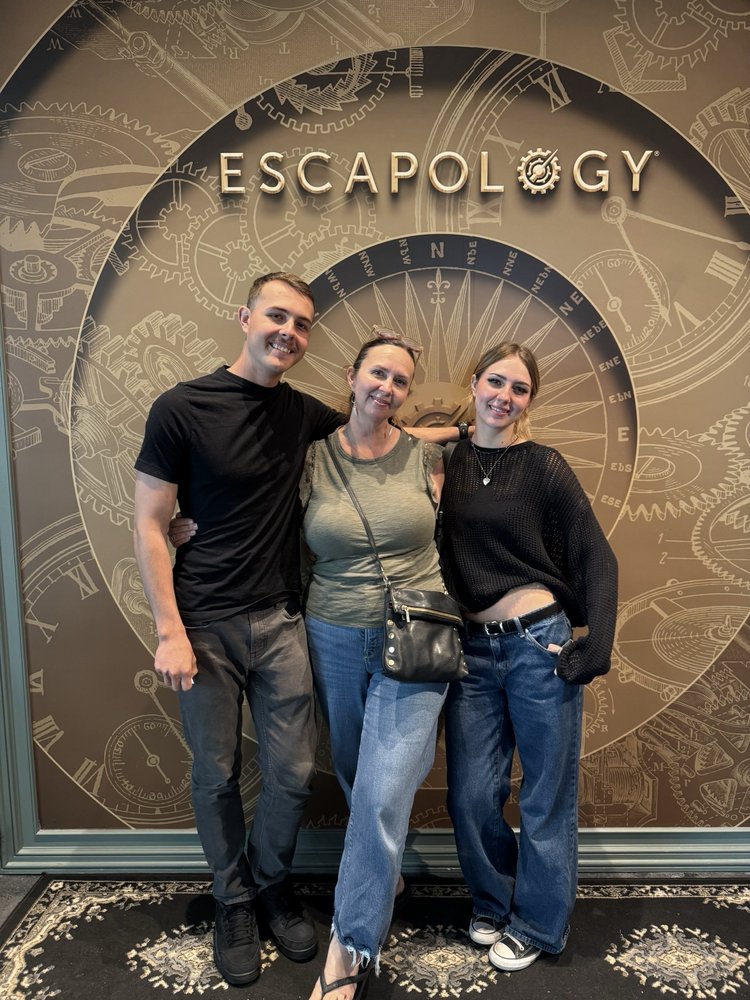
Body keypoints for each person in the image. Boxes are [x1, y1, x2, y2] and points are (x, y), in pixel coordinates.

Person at [133, 275, 457, 988]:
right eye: (277, 316)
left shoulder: (302, 414)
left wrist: (468, 433)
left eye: (302, 323)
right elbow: (151, 525)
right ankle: (233, 901)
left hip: (284, 618)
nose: (288, 331)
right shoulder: (181, 407)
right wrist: (168, 630)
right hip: (204, 622)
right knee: (215, 772)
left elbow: (382, 429)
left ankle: (272, 884)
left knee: (290, 774)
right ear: (245, 316)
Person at [439, 342, 618, 973]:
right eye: (496, 381)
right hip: (469, 652)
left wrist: (598, 640)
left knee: (545, 794)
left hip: (538, 644)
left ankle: (539, 923)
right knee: (471, 795)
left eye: (519, 389)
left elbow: (595, 553)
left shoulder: (543, 464)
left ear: (529, 400)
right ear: (474, 382)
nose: (504, 397)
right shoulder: (444, 461)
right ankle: (494, 900)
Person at [300, 333, 448, 1000]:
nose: (386, 387)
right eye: (377, 374)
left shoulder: (427, 456)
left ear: (407, 393)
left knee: (384, 790)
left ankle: (349, 948)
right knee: (359, 776)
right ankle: (382, 876)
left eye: (400, 380)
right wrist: (185, 526)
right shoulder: (311, 458)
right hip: (332, 631)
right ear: (352, 376)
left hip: (418, 633)